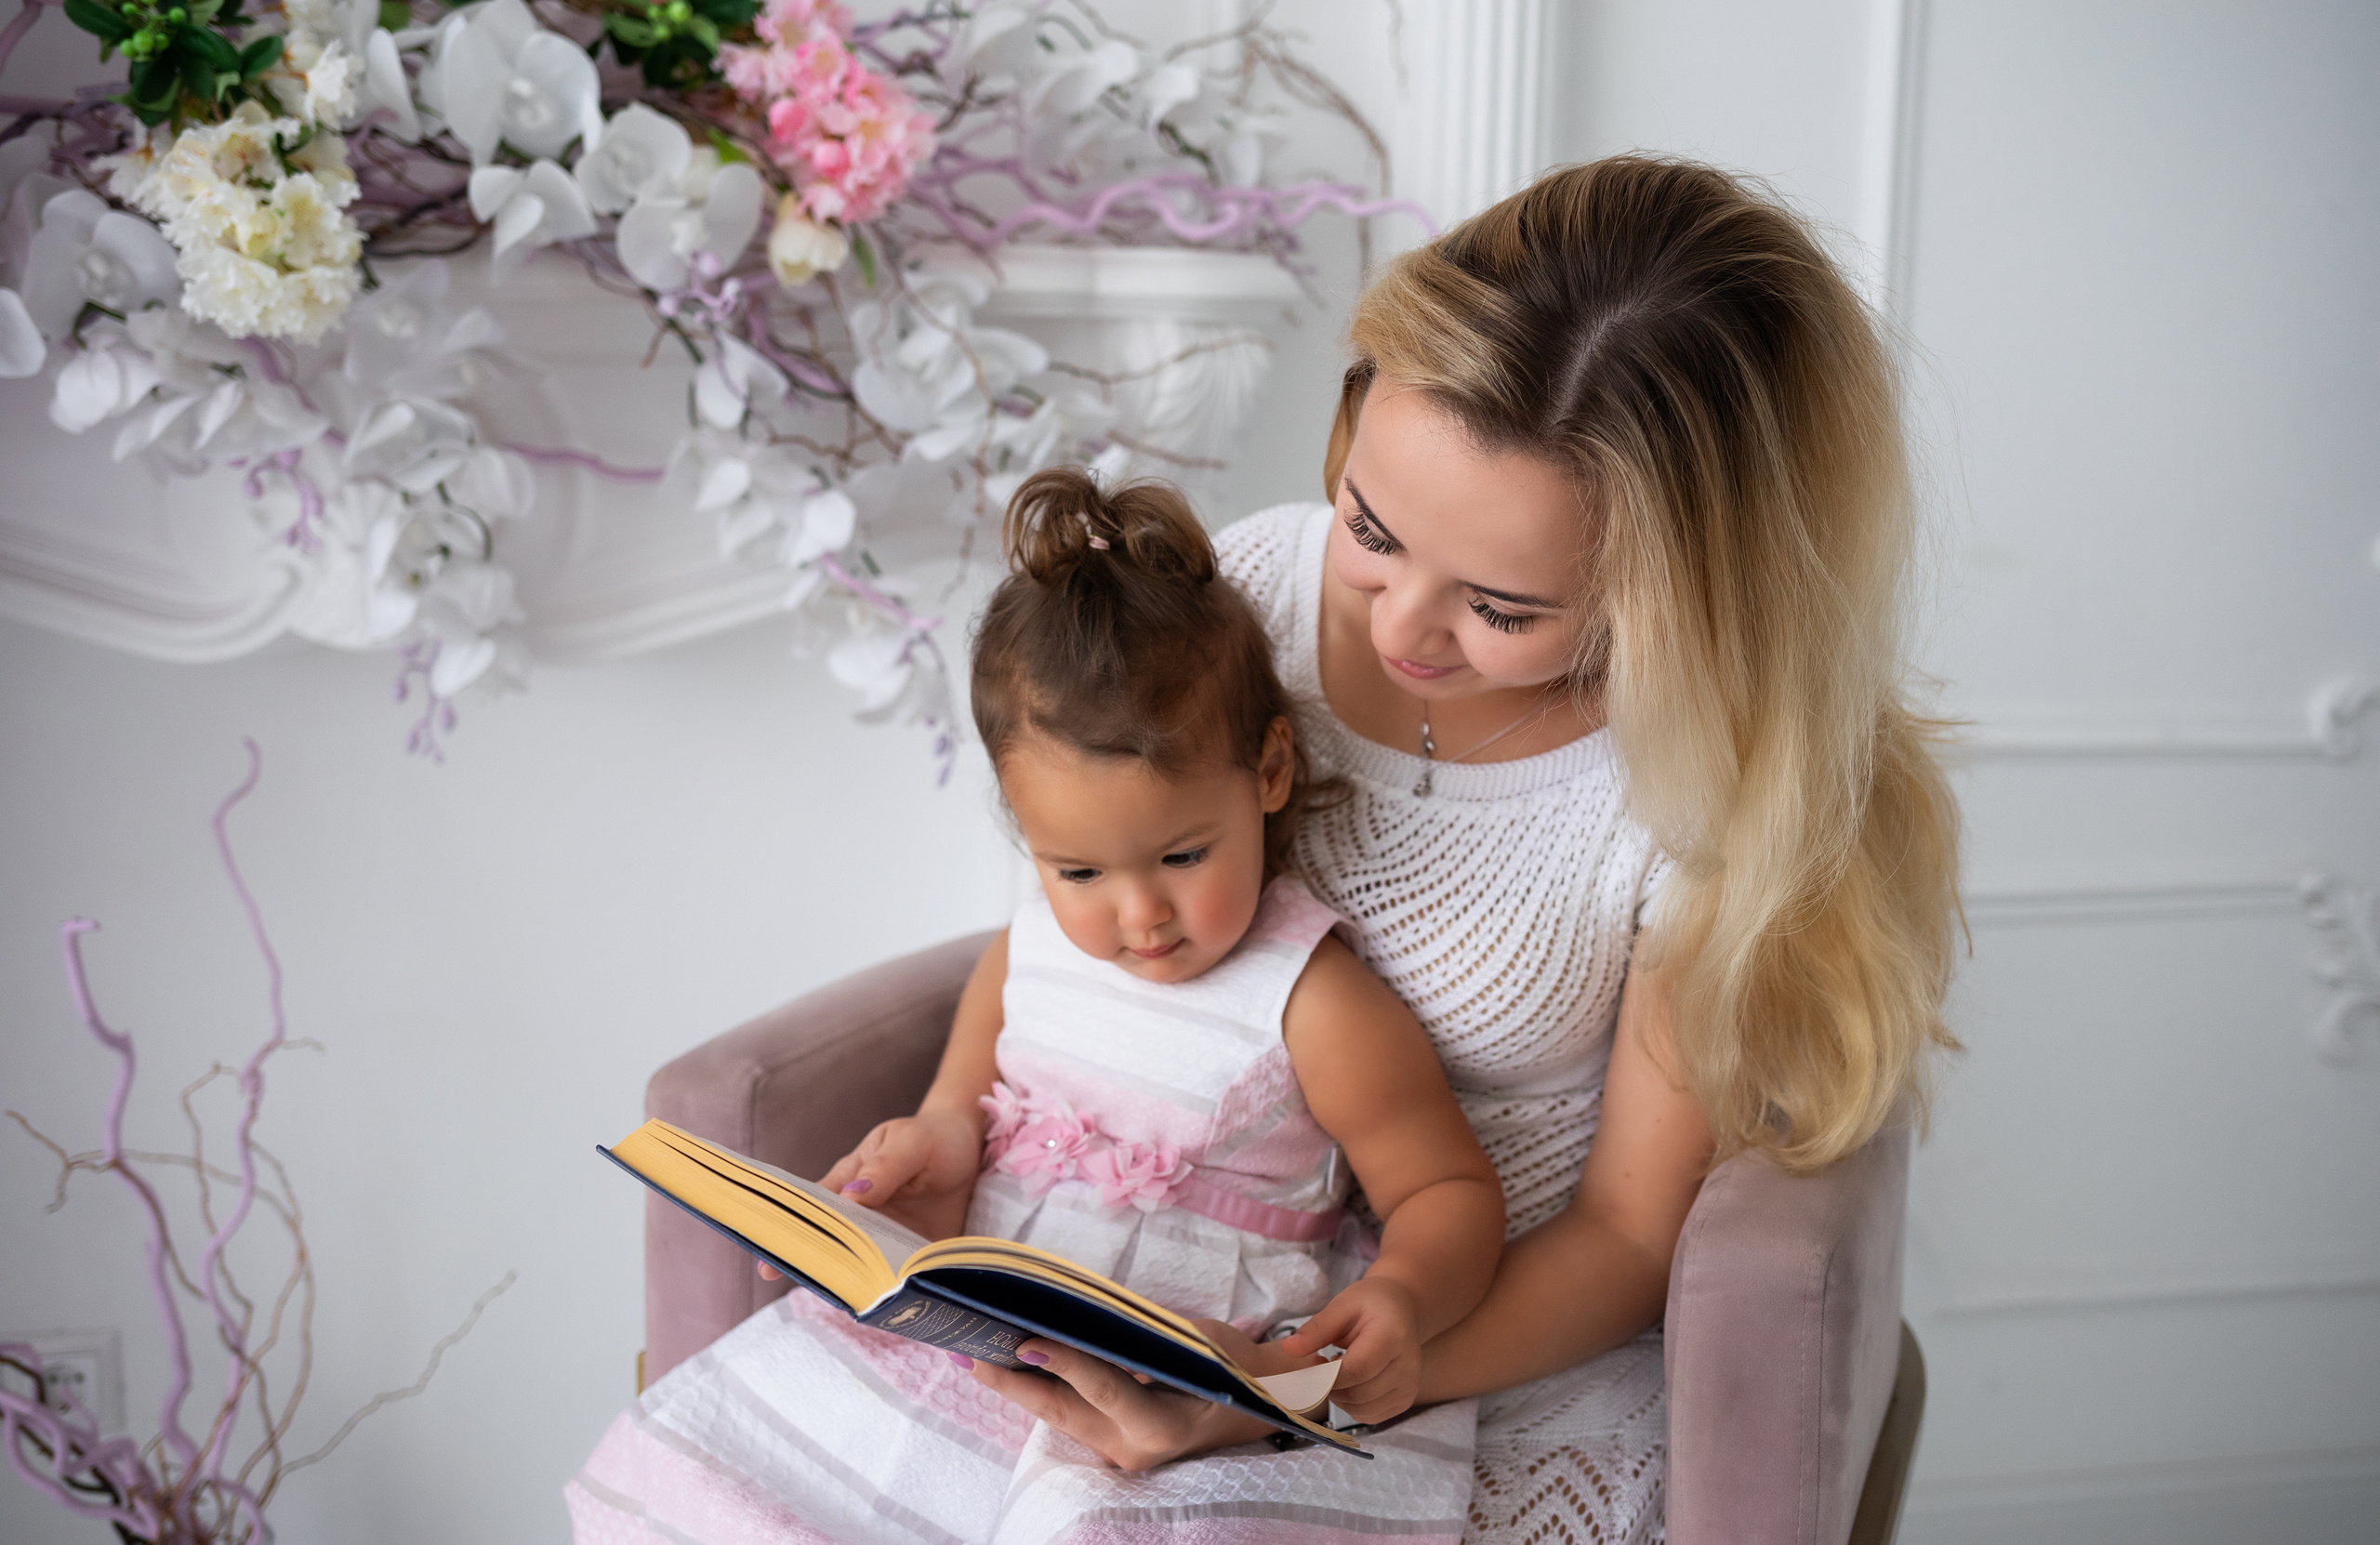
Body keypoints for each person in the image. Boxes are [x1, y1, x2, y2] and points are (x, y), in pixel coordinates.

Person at [950, 156, 1964, 1542]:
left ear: (1675, 595)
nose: (1401, 626)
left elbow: (1621, 1236)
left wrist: (1297, 1383)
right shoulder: (1246, 589)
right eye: (1373, 526)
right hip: (1157, 1274)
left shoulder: (1687, 800)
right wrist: (961, 1119)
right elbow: (1069, 903)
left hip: (1470, 1352)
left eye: (1501, 605)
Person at [568, 469, 1509, 1544]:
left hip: (1187, 1380)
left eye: (1181, 855)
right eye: (1078, 873)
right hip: (991, 1346)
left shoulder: (1311, 998)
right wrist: (935, 1136)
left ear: (1270, 772)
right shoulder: (1032, 947)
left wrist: (1403, 1301)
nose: (1139, 914)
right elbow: (969, 1092)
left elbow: (1444, 1186)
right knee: (741, 1469)